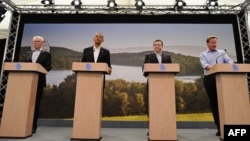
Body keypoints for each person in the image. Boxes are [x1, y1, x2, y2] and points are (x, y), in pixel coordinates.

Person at [199, 35, 233, 137]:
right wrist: (216, 67)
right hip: (210, 79)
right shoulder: (203, 54)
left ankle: (229, 126)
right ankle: (219, 127)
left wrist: (228, 65)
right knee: (215, 103)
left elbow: (230, 62)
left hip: (223, 78)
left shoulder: (222, 52)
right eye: (212, 42)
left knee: (226, 102)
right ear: (208, 43)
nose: (214, 44)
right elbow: (206, 66)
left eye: (215, 42)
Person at [142, 39, 172, 135]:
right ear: (153, 46)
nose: (157, 46)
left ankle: (165, 127)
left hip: (165, 86)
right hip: (152, 85)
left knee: (165, 106)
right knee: (152, 107)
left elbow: (171, 69)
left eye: (159, 44)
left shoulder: (168, 57)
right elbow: (144, 69)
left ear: (162, 46)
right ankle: (152, 128)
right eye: (155, 45)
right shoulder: (149, 57)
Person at [24, 36, 52, 134]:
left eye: (38, 41)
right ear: (33, 42)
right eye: (35, 41)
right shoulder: (28, 53)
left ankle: (33, 126)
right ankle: (23, 124)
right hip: (26, 83)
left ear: (42, 43)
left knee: (35, 104)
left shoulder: (47, 55)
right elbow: (24, 66)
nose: (36, 43)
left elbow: (48, 67)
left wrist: (37, 68)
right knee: (25, 104)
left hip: (38, 82)